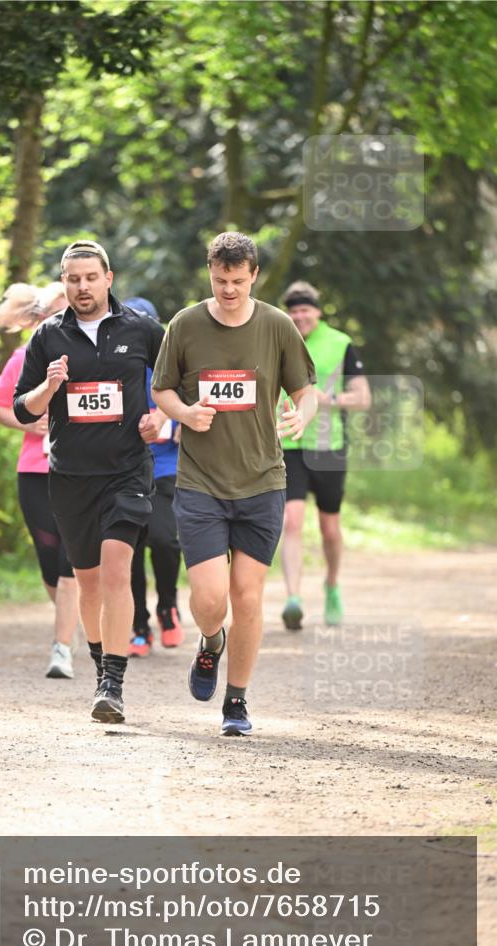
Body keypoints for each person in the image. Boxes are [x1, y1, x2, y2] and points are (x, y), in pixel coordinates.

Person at [151, 232, 318, 736]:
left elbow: (305, 390)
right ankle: (210, 642)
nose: (228, 290)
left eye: (238, 281)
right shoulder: (184, 324)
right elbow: (161, 390)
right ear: (210, 273)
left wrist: (301, 418)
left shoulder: (276, 325)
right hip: (200, 481)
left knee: (247, 597)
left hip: (263, 481)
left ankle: (237, 702)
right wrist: (185, 412)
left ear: (254, 277)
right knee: (209, 600)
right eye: (220, 280)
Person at [13, 240, 166, 723]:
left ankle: (114, 685)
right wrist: (50, 386)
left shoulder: (143, 330)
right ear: (64, 282)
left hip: (126, 472)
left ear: (108, 278)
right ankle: (103, 669)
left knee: (118, 569)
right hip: (71, 476)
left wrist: (159, 416)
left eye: (90, 278)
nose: (82, 287)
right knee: (89, 583)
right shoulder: (47, 338)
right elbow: (23, 408)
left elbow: (173, 385)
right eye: (72, 279)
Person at [0, 281, 80, 679]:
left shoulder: (92, 356)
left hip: (80, 471)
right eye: (53, 314)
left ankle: (62, 649)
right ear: (39, 319)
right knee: (49, 563)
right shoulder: (22, 358)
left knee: (70, 563)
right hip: (34, 469)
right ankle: (71, 619)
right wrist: (31, 422)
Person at [279, 281, 371, 630]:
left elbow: (363, 397)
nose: (299, 316)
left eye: (305, 310)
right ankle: (293, 599)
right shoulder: (279, 335)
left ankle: (332, 585)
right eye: (294, 310)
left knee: (329, 528)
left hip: (329, 446)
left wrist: (328, 401)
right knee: (291, 521)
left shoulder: (340, 343)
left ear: (317, 311)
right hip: (290, 443)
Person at [123, 297, 184, 657]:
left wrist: (184, 424)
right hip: (125, 469)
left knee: (163, 540)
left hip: (166, 468)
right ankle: (138, 623)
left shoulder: (174, 363)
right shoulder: (116, 362)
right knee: (127, 548)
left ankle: (167, 606)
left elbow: (201, 402)